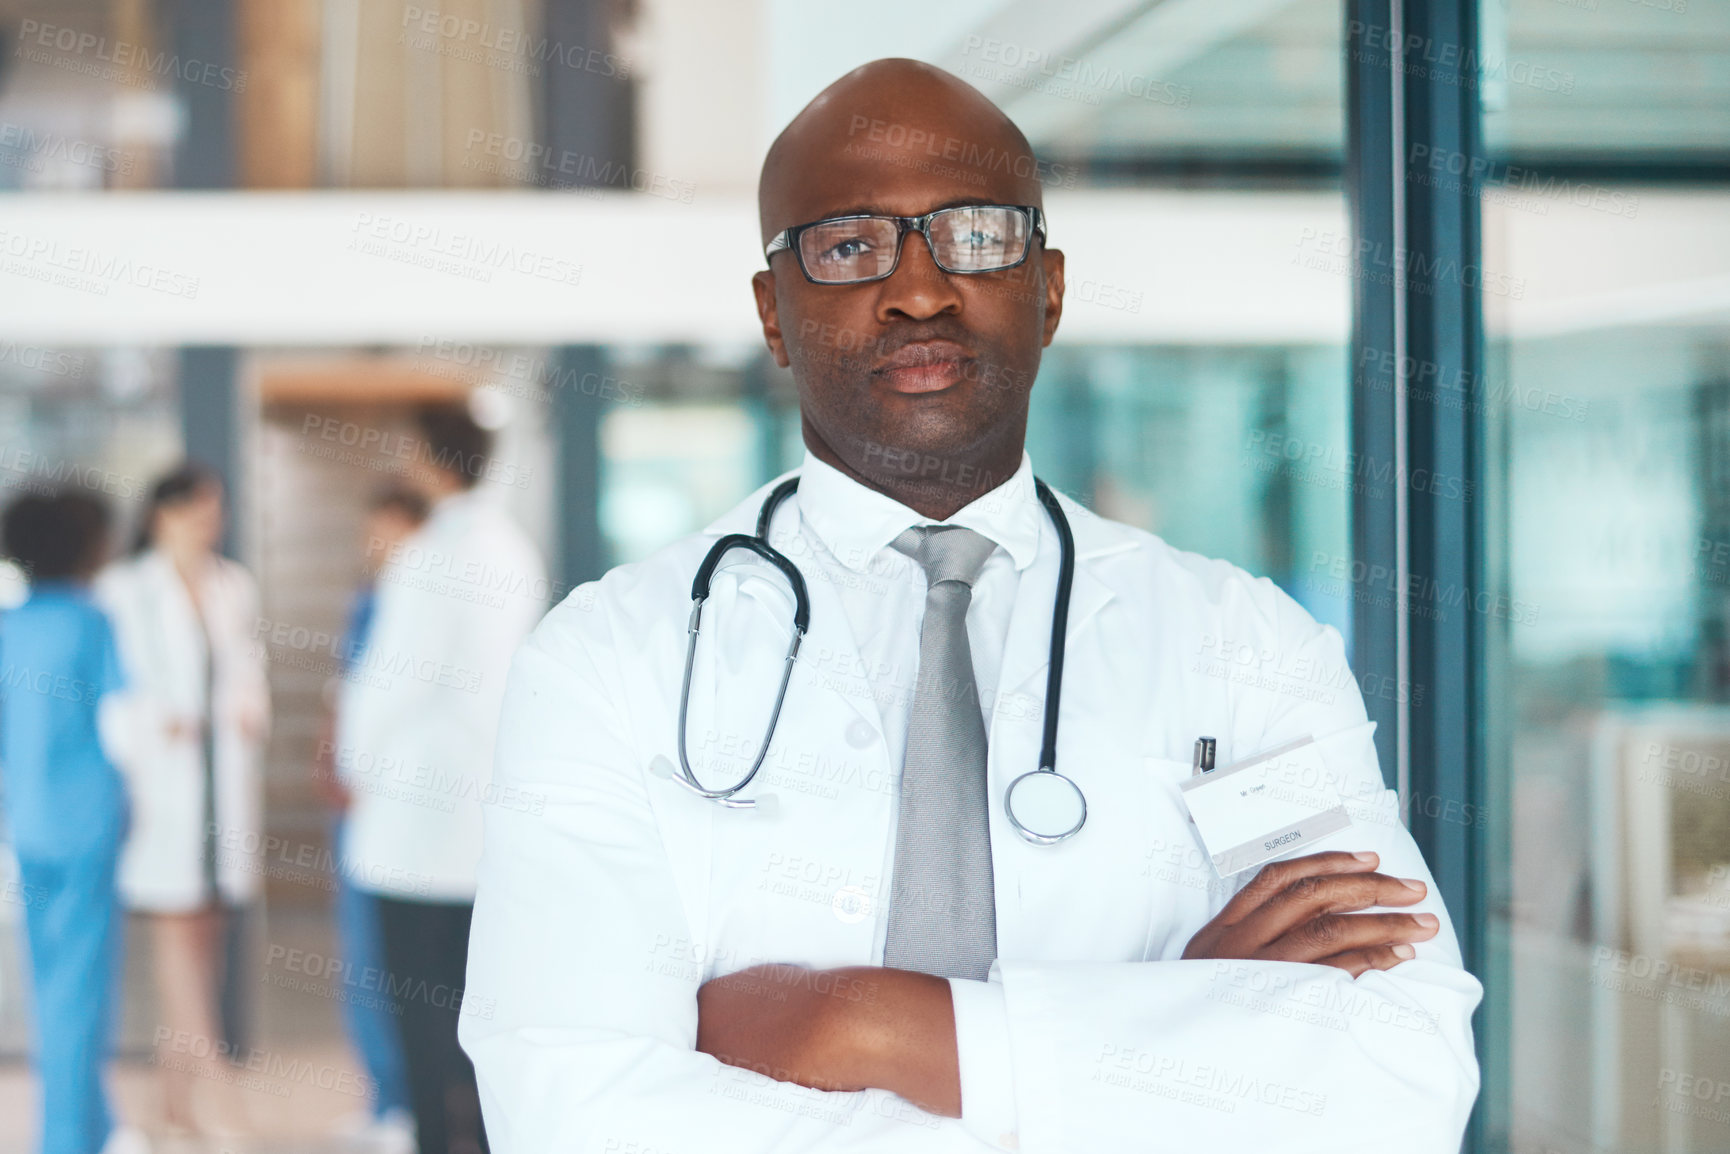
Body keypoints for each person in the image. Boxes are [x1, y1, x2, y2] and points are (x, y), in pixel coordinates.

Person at [460, 59, 1484, 1153]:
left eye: (976, 236)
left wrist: (864, 1024)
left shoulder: (1246, 646)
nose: (918, 289)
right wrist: (1158, 1032)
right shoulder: (609, 657)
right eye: (849, 244)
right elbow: (573, 1110)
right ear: (772, 312)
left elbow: (1399, 1073)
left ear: (1045, 289)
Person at [334, 404, 545, 1154]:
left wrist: (352, 765)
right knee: (480, 1012)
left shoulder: (430, 557)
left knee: (419, 1016)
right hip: (482, 819)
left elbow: (388, 685)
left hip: (413, 824)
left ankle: (431, 1139)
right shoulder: (514, 549)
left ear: (430, 458)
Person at [94, 464, 269, 1136]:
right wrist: (151, 724)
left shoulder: (232, 586)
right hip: (161, 789)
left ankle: (168, 1113)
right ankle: (223, 1103)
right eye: (195, 511)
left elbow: (248, 672)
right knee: (177, 945)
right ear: (159, 515)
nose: (207, 524)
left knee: (205, 944)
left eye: (213, 511)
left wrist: (250, 711)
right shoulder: (123, 589)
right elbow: (113, 695)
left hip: (221, 785)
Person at [0, 492, 149, 1154]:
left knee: (48, 973)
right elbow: (122, 724)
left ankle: (95, 1123)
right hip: (86, 823)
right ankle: (66, 1138)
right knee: (82, 986)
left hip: (26, 823)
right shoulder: (93, 623)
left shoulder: (8, 626)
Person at [314, 485, 426, 1151]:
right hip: (358, 801)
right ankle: (382, 1096)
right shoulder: (367, 604)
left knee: (399, 963)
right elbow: (346, 695)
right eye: (372, 534)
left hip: (406, 804)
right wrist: (331, 757)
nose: (377, 547)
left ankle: (408, 1103)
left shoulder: (421, 607)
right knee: (362, 956)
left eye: (389, 533)